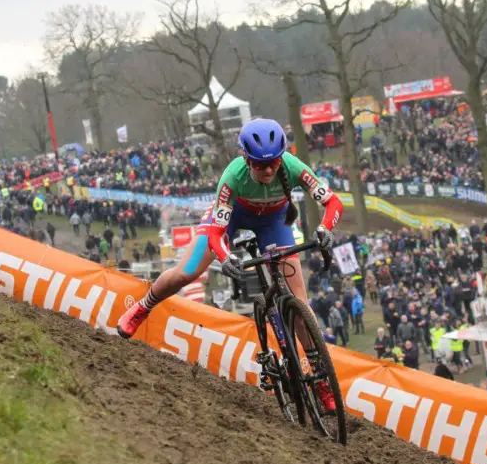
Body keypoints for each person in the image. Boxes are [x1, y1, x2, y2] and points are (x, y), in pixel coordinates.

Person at [116, 118, 344, 410]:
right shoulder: (232, 176)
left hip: (274, 222)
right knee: (187, 272)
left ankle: (321, 378)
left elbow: (333, 203)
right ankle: (143, 307)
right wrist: (225, 257)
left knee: (301, 306)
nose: (269, 170)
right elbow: (215, 232)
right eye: (260, 165)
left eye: (274, 163)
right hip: (233, 217)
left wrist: (326, 228)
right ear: (245, 158)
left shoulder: (293, 166)